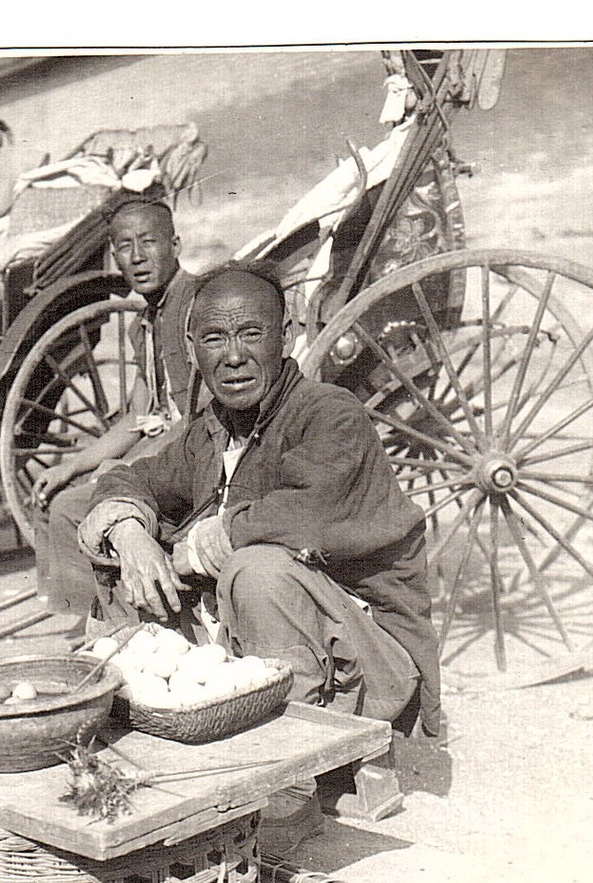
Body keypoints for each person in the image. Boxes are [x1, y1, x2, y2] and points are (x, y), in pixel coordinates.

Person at [76, 262, 441, 737]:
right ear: (191, 349)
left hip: (377, 663)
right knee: (134, 561)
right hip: (280, 647)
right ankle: (153, 731)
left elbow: (304, 514)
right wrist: (129, 534)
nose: (233, 357)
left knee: (256, 571)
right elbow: (132, 478)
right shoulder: (212, 429)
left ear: (286, 337)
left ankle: (298, 772)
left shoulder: (331, 414)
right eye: (213, 339)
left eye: (251, 334)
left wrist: (189, 554)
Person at [33, 194, 202, 620]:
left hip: (200, 458)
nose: (138, 257)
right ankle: (86, 617)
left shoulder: (195, 307)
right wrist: (70, 466)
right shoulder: (145, 323)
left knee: (74, 509)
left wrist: (126, 469)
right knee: (56, 494)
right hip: (164, 449)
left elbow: (204, 418)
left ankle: (111, 623)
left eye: (149, 242)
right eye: (124, 247)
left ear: (175, 246)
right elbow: (138, 417)